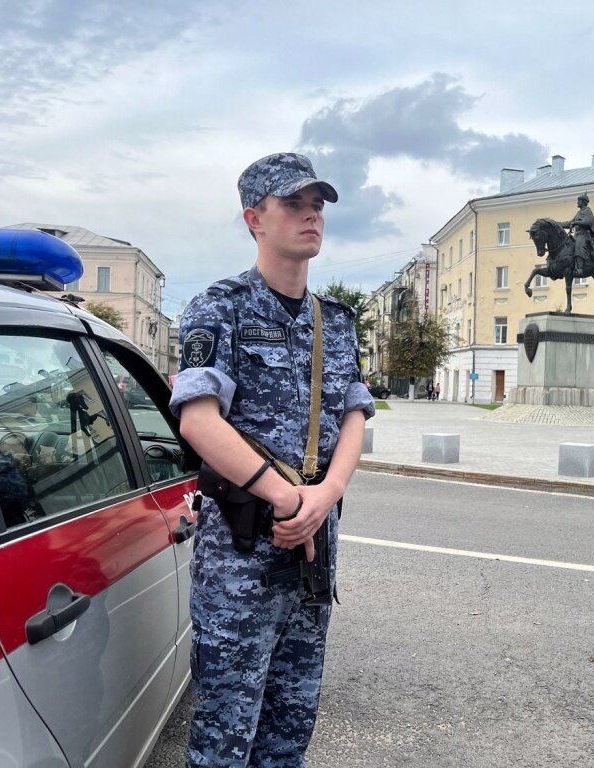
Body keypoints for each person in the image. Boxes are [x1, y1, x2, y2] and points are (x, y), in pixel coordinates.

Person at [169, 152, 374, 767]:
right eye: (294, 205)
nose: (312, 217)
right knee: (225, 730)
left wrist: (324, 498)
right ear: (253, 218)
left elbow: (354, 415)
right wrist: (288, 499)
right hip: (241, 555)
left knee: (291, 724)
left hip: (311, 549)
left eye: (317, 206)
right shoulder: (220, 308)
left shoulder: (335, 320)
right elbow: (197, 418)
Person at [557, 193, 594, 276]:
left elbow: (588, 222)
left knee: (578, 245)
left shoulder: (587, 211)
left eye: (579, 200)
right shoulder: (579, 213)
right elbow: (569, 223)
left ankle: (579, 268)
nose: (577, 202)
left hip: (585, 235)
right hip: (577, 235)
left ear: (584, 202)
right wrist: (556, 224)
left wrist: (576, 222)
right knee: (568, 246)